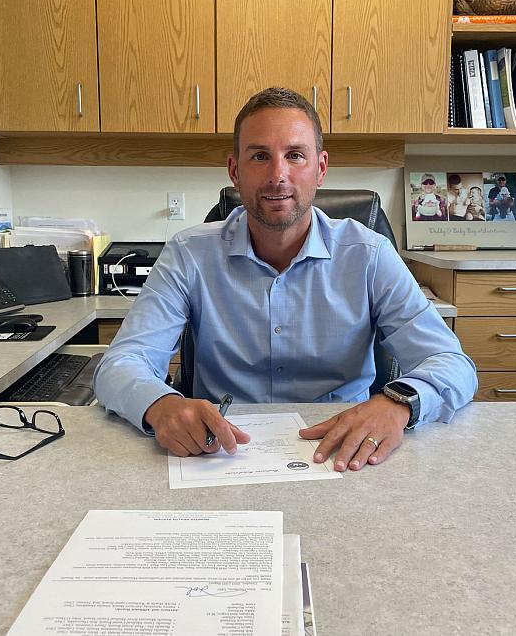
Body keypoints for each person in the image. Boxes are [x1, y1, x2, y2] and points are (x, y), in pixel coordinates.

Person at [93, 87, 477, 472]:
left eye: (295, 155)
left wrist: (398, 404)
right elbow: (122, 363)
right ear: (235, 171)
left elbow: (452, 364)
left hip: (346, 450)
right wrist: (162, 406)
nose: (278, 175)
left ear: (321, 169)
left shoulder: (369, 255)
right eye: (260, 156)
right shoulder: (189, 254)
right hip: (219, 454)